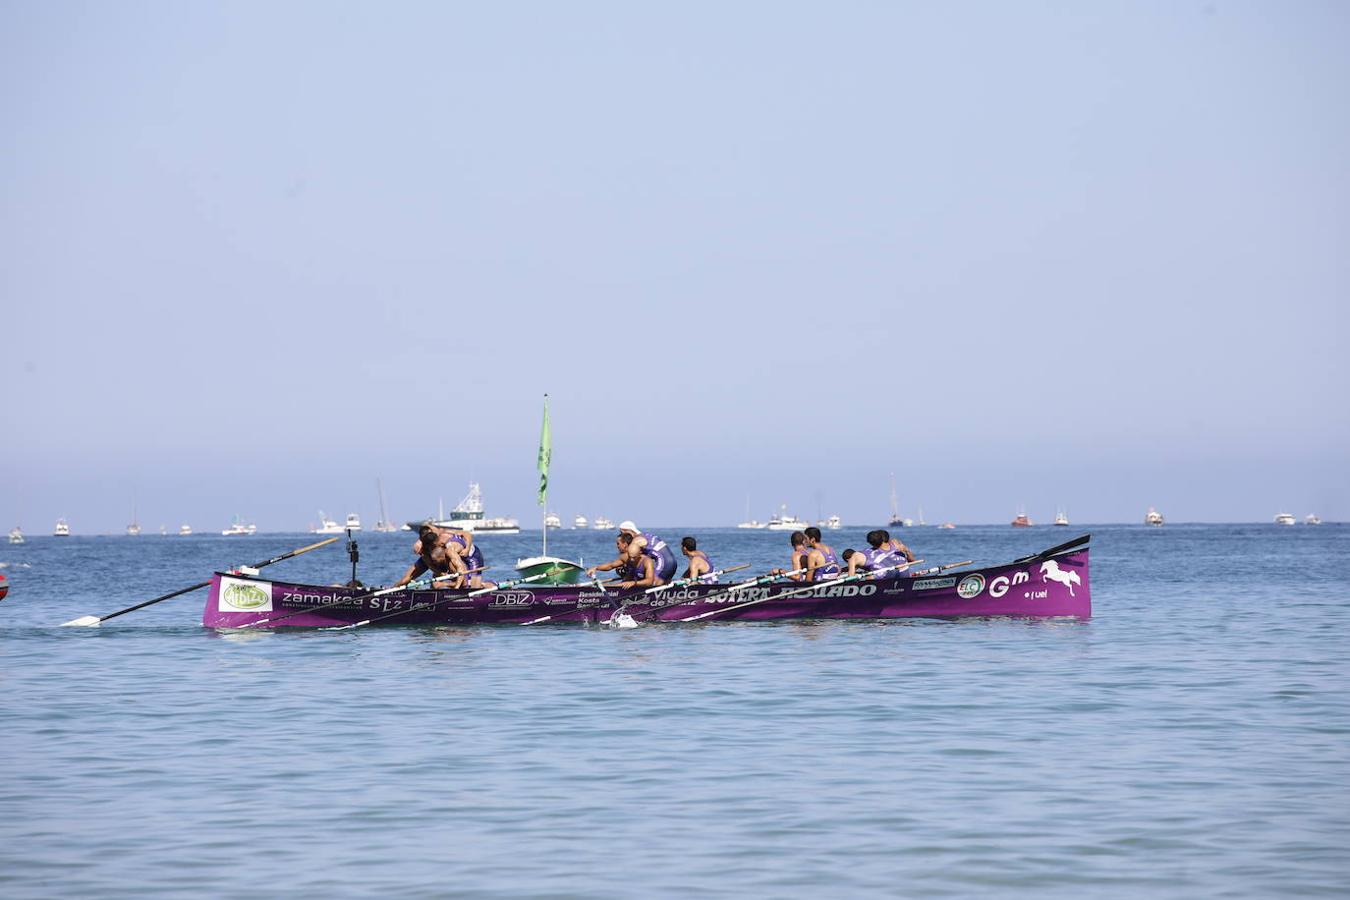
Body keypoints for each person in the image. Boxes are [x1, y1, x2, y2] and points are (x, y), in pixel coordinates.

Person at [394, 523, 488, 590]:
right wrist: (439, 573)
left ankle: (486, 585)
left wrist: (467, 548)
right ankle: (390, 591)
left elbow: (466, 533)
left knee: (471, 588)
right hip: (439, 559)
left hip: (470, 556)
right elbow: (429, 564)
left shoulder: (447, 543)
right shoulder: (422, 548)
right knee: (405, 580)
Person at [586, 533, 661, 588]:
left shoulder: (647, 561)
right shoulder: (625, 557)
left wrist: (633, 583)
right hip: (631, 582)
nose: (631, 559)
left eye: (618, 543)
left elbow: (649, 581)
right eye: (630, 557)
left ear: (639, 554)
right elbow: (611, 565)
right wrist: (596, 568)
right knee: (612, 586)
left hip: (643, 586)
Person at [843, 530, 912, 578]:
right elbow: (912, 561)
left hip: (885, 577)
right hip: (903, 574)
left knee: (870, 577)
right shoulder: (896, 544)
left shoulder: (859, 555)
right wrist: (907, 551)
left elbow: (851, 576)